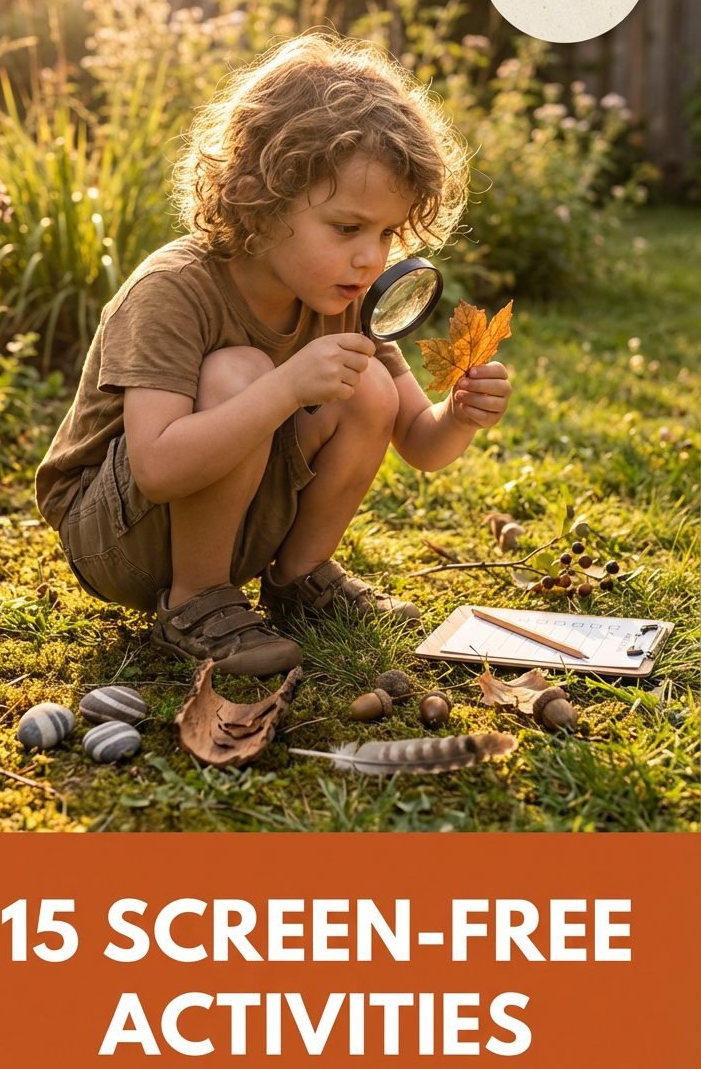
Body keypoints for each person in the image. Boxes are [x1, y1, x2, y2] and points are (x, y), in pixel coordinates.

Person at [35, 33, 511, 675]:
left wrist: (460, 416)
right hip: (120, 538)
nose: (372, 257)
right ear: (260, 199)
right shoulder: (174, 290)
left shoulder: (346, 296)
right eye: (347, 228)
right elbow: (157, 470)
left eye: (387, 233)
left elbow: (419, 445)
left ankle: (300, 581)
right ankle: (195, 601)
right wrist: (284, 388)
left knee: (368, 382)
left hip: (237, 521)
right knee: (241, 372)